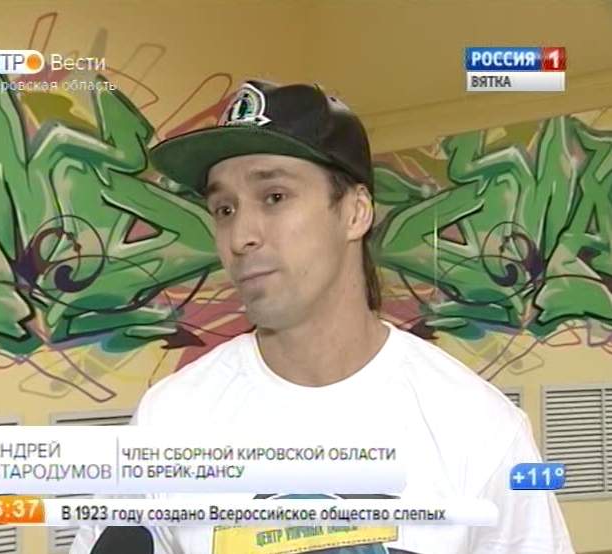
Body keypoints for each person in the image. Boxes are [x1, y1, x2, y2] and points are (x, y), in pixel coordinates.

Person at [71, 80, 574, 553]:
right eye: (224, 209)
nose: (241, 236)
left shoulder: (480, 430)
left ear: (355, 213)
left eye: (274, 197)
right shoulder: (169, 421)